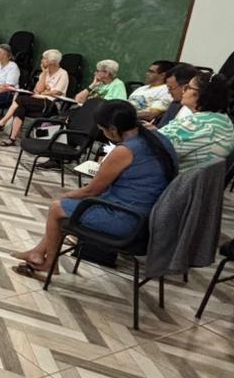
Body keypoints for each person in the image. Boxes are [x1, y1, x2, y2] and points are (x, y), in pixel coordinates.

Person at [12, 100, 177, 275]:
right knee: (67, 207)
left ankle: (50, 264)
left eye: (102, 130)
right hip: (150, 217)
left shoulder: (125, 150)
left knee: (57, 207)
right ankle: (38, 253)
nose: (103, 134)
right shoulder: (157, 138)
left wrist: (64, 196)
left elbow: (92, 190)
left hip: (128, 219)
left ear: (112, 129)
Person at [160, 72, 234, 172]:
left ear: (200, 94)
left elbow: (153, 148)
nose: (183, 91)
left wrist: (147, 133)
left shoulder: (198, 124)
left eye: (188, 87)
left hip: (174, 178)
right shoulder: (220, 119)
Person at [0, 49, 70, 146]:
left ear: (52, 62)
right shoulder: (45, 73)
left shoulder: (63, 73)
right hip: (38, 100)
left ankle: (2, 122)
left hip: (51, 104)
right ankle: (12, 138)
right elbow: (38, 89)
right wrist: (44, 73)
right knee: (20, 108)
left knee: (20, 99)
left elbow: (57, 92)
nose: (42, 60)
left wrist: (43, 93)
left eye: (44, 59)